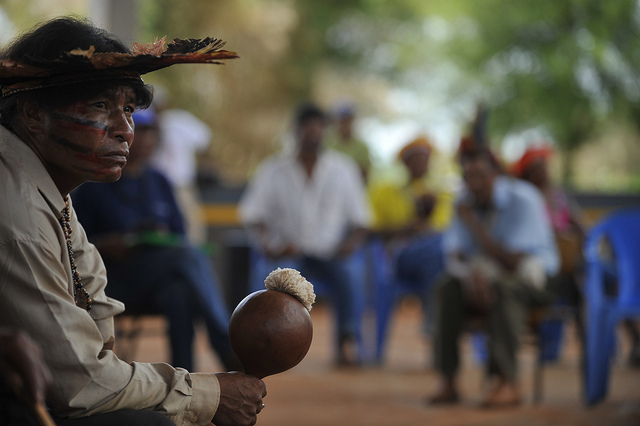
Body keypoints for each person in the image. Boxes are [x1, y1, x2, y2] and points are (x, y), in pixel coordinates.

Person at [0, 16, 265, 426]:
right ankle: (222, 343)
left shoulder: (53, 186)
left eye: (128, 109)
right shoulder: (20, 209)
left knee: (180, 281)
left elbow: (94, 308)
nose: (125, 130)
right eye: (102, 106)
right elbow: (82, 384)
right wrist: (206, 393)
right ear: (33, 114)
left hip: (150, 279)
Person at [72, 108, 239, 373]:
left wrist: (159, 240)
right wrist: (109, 244)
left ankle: (186, 378)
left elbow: (178, 237)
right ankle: (226, 347)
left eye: (151, 133)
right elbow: (72, 245)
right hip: (112, 281)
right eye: (140, 132)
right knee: (186, 255)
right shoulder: (95, 182)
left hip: (157, 279)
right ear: (122, 135)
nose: (146, 140)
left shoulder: (161, 181)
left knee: (179, 292)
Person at [239, 102, 370, 366]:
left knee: (352, 272)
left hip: (331, 253)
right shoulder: (273, 169)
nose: (313, 133)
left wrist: (348, 246)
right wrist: (268, 245)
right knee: (265, 272)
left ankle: (347, 341)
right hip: (288, 254)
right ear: (296, 131)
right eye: (307, 127)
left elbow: (361, 221)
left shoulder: (344, 169)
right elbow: (252, 215)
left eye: (318, 127)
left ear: (325, 131)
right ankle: (261, 347)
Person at [428, 147, 559, 408]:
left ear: (496, 174)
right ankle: (448, 379)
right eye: (468, 176)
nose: (474, 183)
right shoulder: (462, 201)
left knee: (504, 288)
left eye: (481, 175)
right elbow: (454, 256)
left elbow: (513, 261)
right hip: (482, 275)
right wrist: (470, 276)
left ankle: (507, 380)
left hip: (534, 278)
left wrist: (473, 226)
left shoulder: (524, 198)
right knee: (445, 287)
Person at [368, 136, 453, 329]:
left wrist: (425, 222)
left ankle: (433, 322)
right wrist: (407, 228)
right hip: (398, 257)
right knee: (439, 250)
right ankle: (433, 321)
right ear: (404, 162)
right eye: (415, 158)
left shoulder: (441, 194)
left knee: (438, 251)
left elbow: (444, 230)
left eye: (425, 158)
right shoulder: (385, 191)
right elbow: (371, 230)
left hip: (435, 255)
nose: (421, 163)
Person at [149, 89, 213, 245]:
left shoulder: (179, 122)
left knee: (192, 226)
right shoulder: (143, 124)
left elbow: (205, 141)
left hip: (180, 185)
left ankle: (194, 257)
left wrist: (207, 164)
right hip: (153, 185)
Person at [324, 102, 372, 182]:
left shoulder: (362, 147)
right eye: (342, 121)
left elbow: (364, 176)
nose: (345, 125)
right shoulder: (327, 145)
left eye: (348, 121)